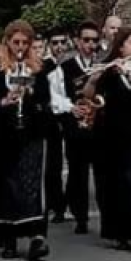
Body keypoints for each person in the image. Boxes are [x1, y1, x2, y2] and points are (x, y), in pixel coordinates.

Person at [0, 20, 51, 261]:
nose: (20, 47)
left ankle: (36, 236)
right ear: (7, 42)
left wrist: (31, 93)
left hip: (30, 130)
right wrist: (4, 101)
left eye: (25, 43)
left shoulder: (38, 67)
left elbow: (45, 97)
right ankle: (9, 238)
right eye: (16, 42)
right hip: (4, 130)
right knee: (8, 183)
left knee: (31, 182)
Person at [85, 28, 131, 254]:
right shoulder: (109, 71)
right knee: (119, 185)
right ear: (120, 47)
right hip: (115, 135)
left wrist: (130, 74)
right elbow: (90, 95)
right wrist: (94, 78)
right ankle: (122, 233)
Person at [53, 22, 102, 233]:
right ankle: (80, 216)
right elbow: (58, 96)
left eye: (94, 40)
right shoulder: (65, 67)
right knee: (77, 173)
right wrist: (72, 108)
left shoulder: (102, 65)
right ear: (77, 42)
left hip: (98, 126)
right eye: (86, 40)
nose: (90, 44)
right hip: (75, 126)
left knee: (101, 173)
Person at [43, 30, 70, 223]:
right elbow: (51, 96)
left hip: (68, 118)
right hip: (51, 119)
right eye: (55, 43)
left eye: (62, 42)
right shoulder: (45, 66)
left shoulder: (69, 64)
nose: (59, 46)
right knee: (53, 165)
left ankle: (63, 204)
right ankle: (55, 205)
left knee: (67, 164)